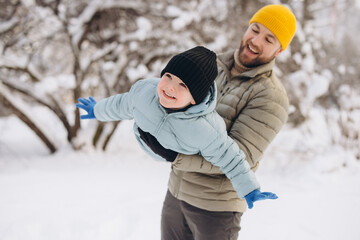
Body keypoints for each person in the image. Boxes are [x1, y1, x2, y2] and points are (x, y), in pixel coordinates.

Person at [76, 46, 278, 211]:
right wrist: (98, 110)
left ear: (195, 98)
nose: (170, 86)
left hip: (179, 155)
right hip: (145, 134)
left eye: (183, 85)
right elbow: (122, 104)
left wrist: (249, 188)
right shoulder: (145, 92)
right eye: (169, 76)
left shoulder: (205, 129)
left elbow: (229, 157)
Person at [158, 4, 297, 240]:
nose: (256, 41)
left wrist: (176, 156)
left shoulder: (271, 97)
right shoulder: (210, 66)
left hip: (215, 210)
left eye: (269, 39)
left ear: (279, 51)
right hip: (176, 193)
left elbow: (237, 156)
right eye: (255, 30)